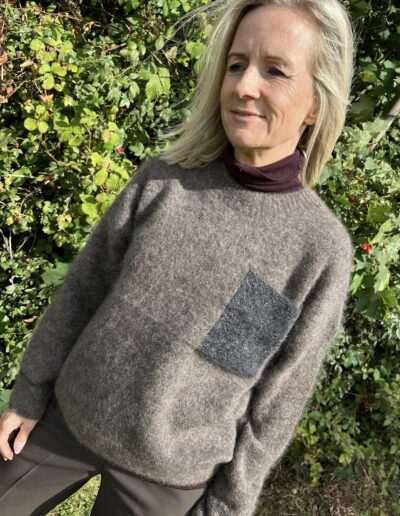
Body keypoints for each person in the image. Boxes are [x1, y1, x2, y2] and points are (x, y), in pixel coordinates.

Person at [0, 0, 356, 514]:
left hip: (169, 475)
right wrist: (30, 391)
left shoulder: (317, 249)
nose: (244, 86)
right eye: (236, 64)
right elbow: (83, 290)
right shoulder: (164, 181)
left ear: (317, 104)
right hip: (69, 418)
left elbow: (276, 402)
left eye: (275, 70)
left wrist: (228, 505)